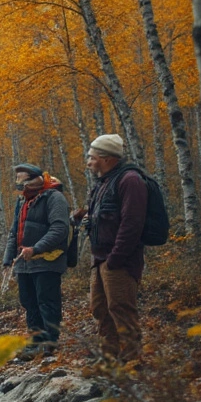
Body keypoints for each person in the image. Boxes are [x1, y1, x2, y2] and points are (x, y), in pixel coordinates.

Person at [73, 134, 148, 363]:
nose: (88, 163)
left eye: (92, 157)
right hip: (100, 258)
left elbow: (132, 223)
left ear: (106, 158)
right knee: (100, 309)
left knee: (121, 310)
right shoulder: (103, 183)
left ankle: (133, 364)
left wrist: (115, 258)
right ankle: (109, 360)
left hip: (119, 260)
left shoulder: (130, 180)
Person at [2, 163, 70, 356]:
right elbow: (14, 231)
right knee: (29, 302)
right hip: (24, 263)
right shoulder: (22, 202)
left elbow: (59, 229)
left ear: (35, 179)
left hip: (48, 260)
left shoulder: (55, 198)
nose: (20, 184)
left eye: (23, 179)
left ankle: (49, 342)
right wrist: (8, 259)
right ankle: (35, 341)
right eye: (18, 180)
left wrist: (36, 248)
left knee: (47, 301)